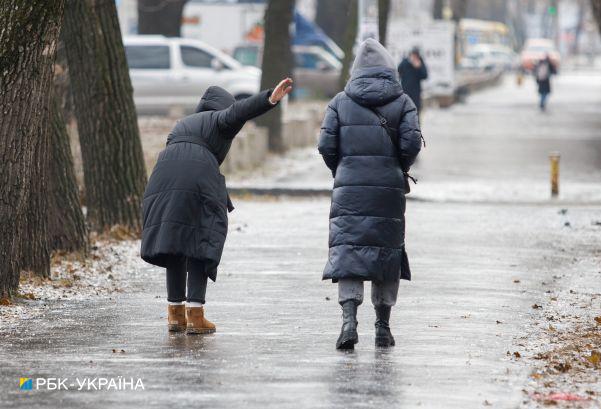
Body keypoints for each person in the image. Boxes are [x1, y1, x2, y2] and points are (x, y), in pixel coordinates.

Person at [141, 78, 293, 335]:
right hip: (196, 177)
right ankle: (196, 315)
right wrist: (269, 99)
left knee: (175, 243)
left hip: (162, 176)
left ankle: (175, 314)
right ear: (221, 108)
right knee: (201, 239)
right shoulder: (219, 120)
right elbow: (239, 112)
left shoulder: (185, 124)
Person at [318, 39, 422, 350]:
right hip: (388, 189)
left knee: (349, 251)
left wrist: (342, 169)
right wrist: (395, 167)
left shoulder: (339, 102)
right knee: (386, 253)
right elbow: (411, 144)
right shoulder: (403, 102)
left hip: (349, 188)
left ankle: (349, 321)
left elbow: (326, 145)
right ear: (390, 69)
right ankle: (383, 327)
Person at [398, 47, 428, 114]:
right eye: (413, 54)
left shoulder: (420, 62)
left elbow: (425, 75)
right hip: (405, 92)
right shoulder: (405, 61)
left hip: (416, 94)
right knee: (405, 112)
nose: (414, 56)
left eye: (416, 55)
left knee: (416, 112)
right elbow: (399, 70)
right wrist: (409, 62)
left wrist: (419, 67)